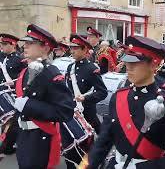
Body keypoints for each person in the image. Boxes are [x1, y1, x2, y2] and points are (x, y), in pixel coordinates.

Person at [88, 36, 165, 169]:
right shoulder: (118, 97)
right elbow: (103, 141)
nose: (128, 67)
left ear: (153, 64)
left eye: (135, 63)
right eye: (127, 62)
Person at [15, 24, 74, 169]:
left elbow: (65, 111)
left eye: (31, 43)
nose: (25, 46)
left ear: (46, 48)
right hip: (24, 137)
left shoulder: (51, 73)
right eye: (25, 43)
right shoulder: (26, 71)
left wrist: (29, 105)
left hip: (41, 139)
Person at [63, 34, 108, 169]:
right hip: (73, 114)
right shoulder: (70, 67)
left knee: (88, 149)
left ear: (84, 50)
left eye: (76, 48)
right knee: (70, 147)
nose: (72, 51)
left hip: (87, 114)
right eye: (71, 48)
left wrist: (86, 98)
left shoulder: (91, 69)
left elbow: (102, 92)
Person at [0, 33, 27, 160]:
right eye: (2, 44)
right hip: (2, 93)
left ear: (13, 44)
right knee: (5, 122)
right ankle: (7, 144)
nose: (2, 47)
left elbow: (26, 78)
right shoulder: (0, 57)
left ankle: (9, 144)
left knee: (12, 121)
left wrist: (15, 82)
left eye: (5, 44)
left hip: (14, 94)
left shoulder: (20, 59)